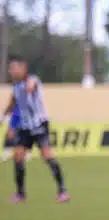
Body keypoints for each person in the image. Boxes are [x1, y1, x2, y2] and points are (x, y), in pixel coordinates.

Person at [3, 57, 69, 203]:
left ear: (23, 68)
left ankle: (62, 190)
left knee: (46, 155)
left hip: (39, 125)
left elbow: (31, 86)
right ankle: (20, 194)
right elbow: (12, 104)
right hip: (25, 127)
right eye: (11, 69)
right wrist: (3, 118)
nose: (11, 71)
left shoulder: (33, 80)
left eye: (14, 68)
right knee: (18, 156)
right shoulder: (15, 87)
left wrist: (28, 88)